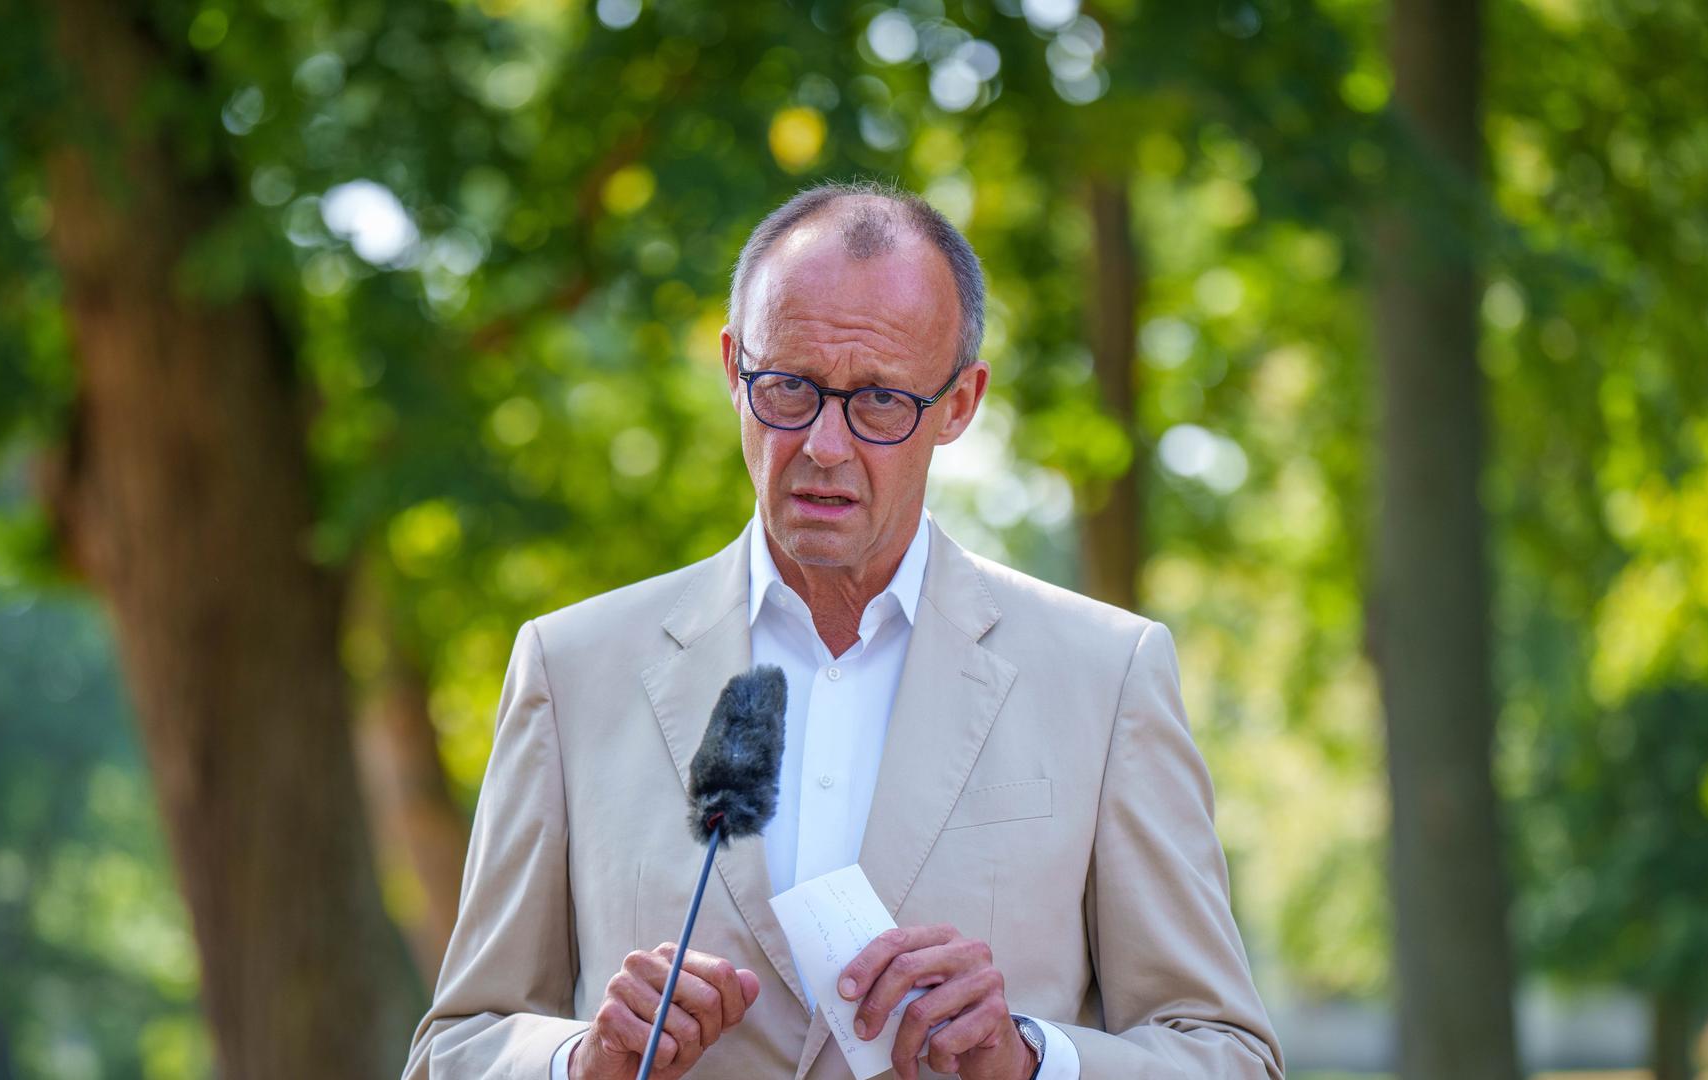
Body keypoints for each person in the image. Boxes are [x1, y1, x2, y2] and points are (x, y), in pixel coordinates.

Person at [401, 182, 1284, 1080]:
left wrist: (1030, 1061)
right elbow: (457, 1047)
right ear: (730, 366)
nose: (825, 444)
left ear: (959, 405)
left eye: (878, 402)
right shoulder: (572, 668)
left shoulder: (1107, 675)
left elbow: (1226, 1055)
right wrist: (579, 1063)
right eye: (787, 388)